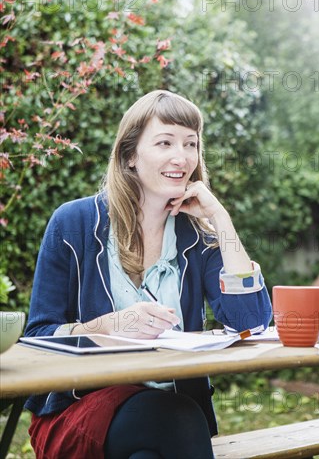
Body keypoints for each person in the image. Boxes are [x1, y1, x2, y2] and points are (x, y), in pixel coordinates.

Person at [25, 90, 272, 459]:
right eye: (165, 142)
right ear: (129, 157)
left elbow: (251, 321)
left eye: (191, 143)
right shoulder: (72, 224)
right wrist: (109, 325)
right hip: (79, 409)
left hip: (169, 420)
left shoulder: (197, 236)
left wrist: (221, 220)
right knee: (176, 420)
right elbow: (37, 337)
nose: (182, 157)